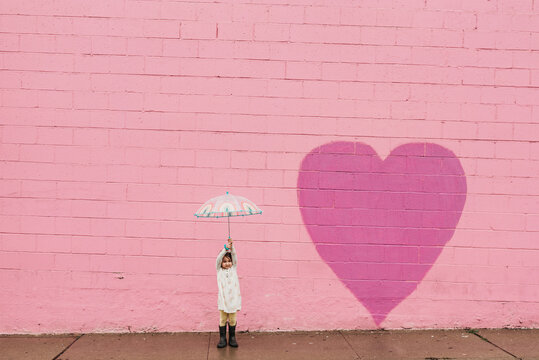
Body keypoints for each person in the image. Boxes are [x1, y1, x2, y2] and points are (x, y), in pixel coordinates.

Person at [216, 237, 241, 348]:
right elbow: (218, 259)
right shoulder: (219, 271)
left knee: (232, 319)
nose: (227, 263)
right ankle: (222, 338)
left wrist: (232, 246)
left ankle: (232, 337)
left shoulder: (233, 269)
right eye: (224, 261)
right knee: (222, 319)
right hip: (223, 301)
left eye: (229, 261)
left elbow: (234, 256)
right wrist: (225, 249)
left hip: (233, 302)